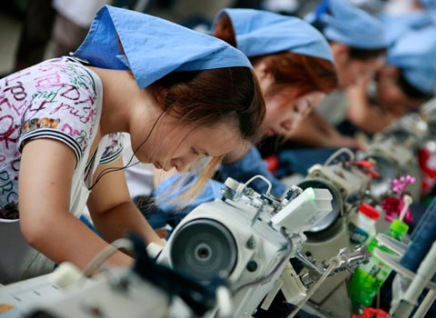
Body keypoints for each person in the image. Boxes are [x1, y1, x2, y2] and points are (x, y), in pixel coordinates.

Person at [0, 5, 265, 284]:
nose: (184, 165)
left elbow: (112, 208)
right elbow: (45, 225)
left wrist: (165, 259)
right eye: (196, 150)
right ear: (170, 99)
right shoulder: (70, 97)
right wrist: (153, 281)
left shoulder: (106, 120)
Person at [144, 8, 337, 231]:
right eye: (297, 108)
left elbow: (253, 171)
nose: (291, 125)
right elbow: (174, 191)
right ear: (265, 72)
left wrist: (296, 207)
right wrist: (258, 209)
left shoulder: (231, 116)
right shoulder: (195, 90)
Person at [286, 0, 387, 148]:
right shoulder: (296, 61)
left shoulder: (312, 68)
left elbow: (306, 112)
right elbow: (289, 126)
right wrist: (334, 143)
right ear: (340, 53)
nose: (356, 83)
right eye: (361, 72)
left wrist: (336, 137)